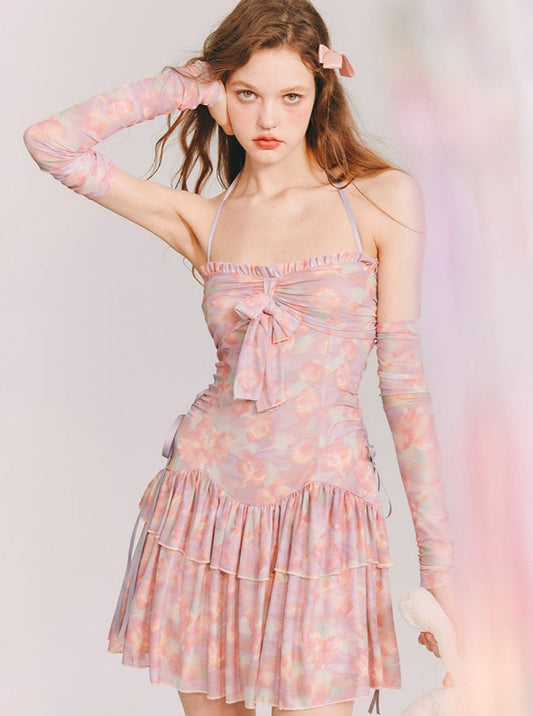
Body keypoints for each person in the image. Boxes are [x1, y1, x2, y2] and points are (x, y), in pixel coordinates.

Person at [23, 0, 464, 714]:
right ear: (222, 96)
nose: (268, 119)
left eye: (290, 96)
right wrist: (185, 84)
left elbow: (404, 390)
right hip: (206, 506)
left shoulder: (383, 201)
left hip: (321, 511)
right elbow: (52, 144)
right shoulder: (206, 219)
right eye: (246, 93)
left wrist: (438, 570)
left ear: (320, 94)